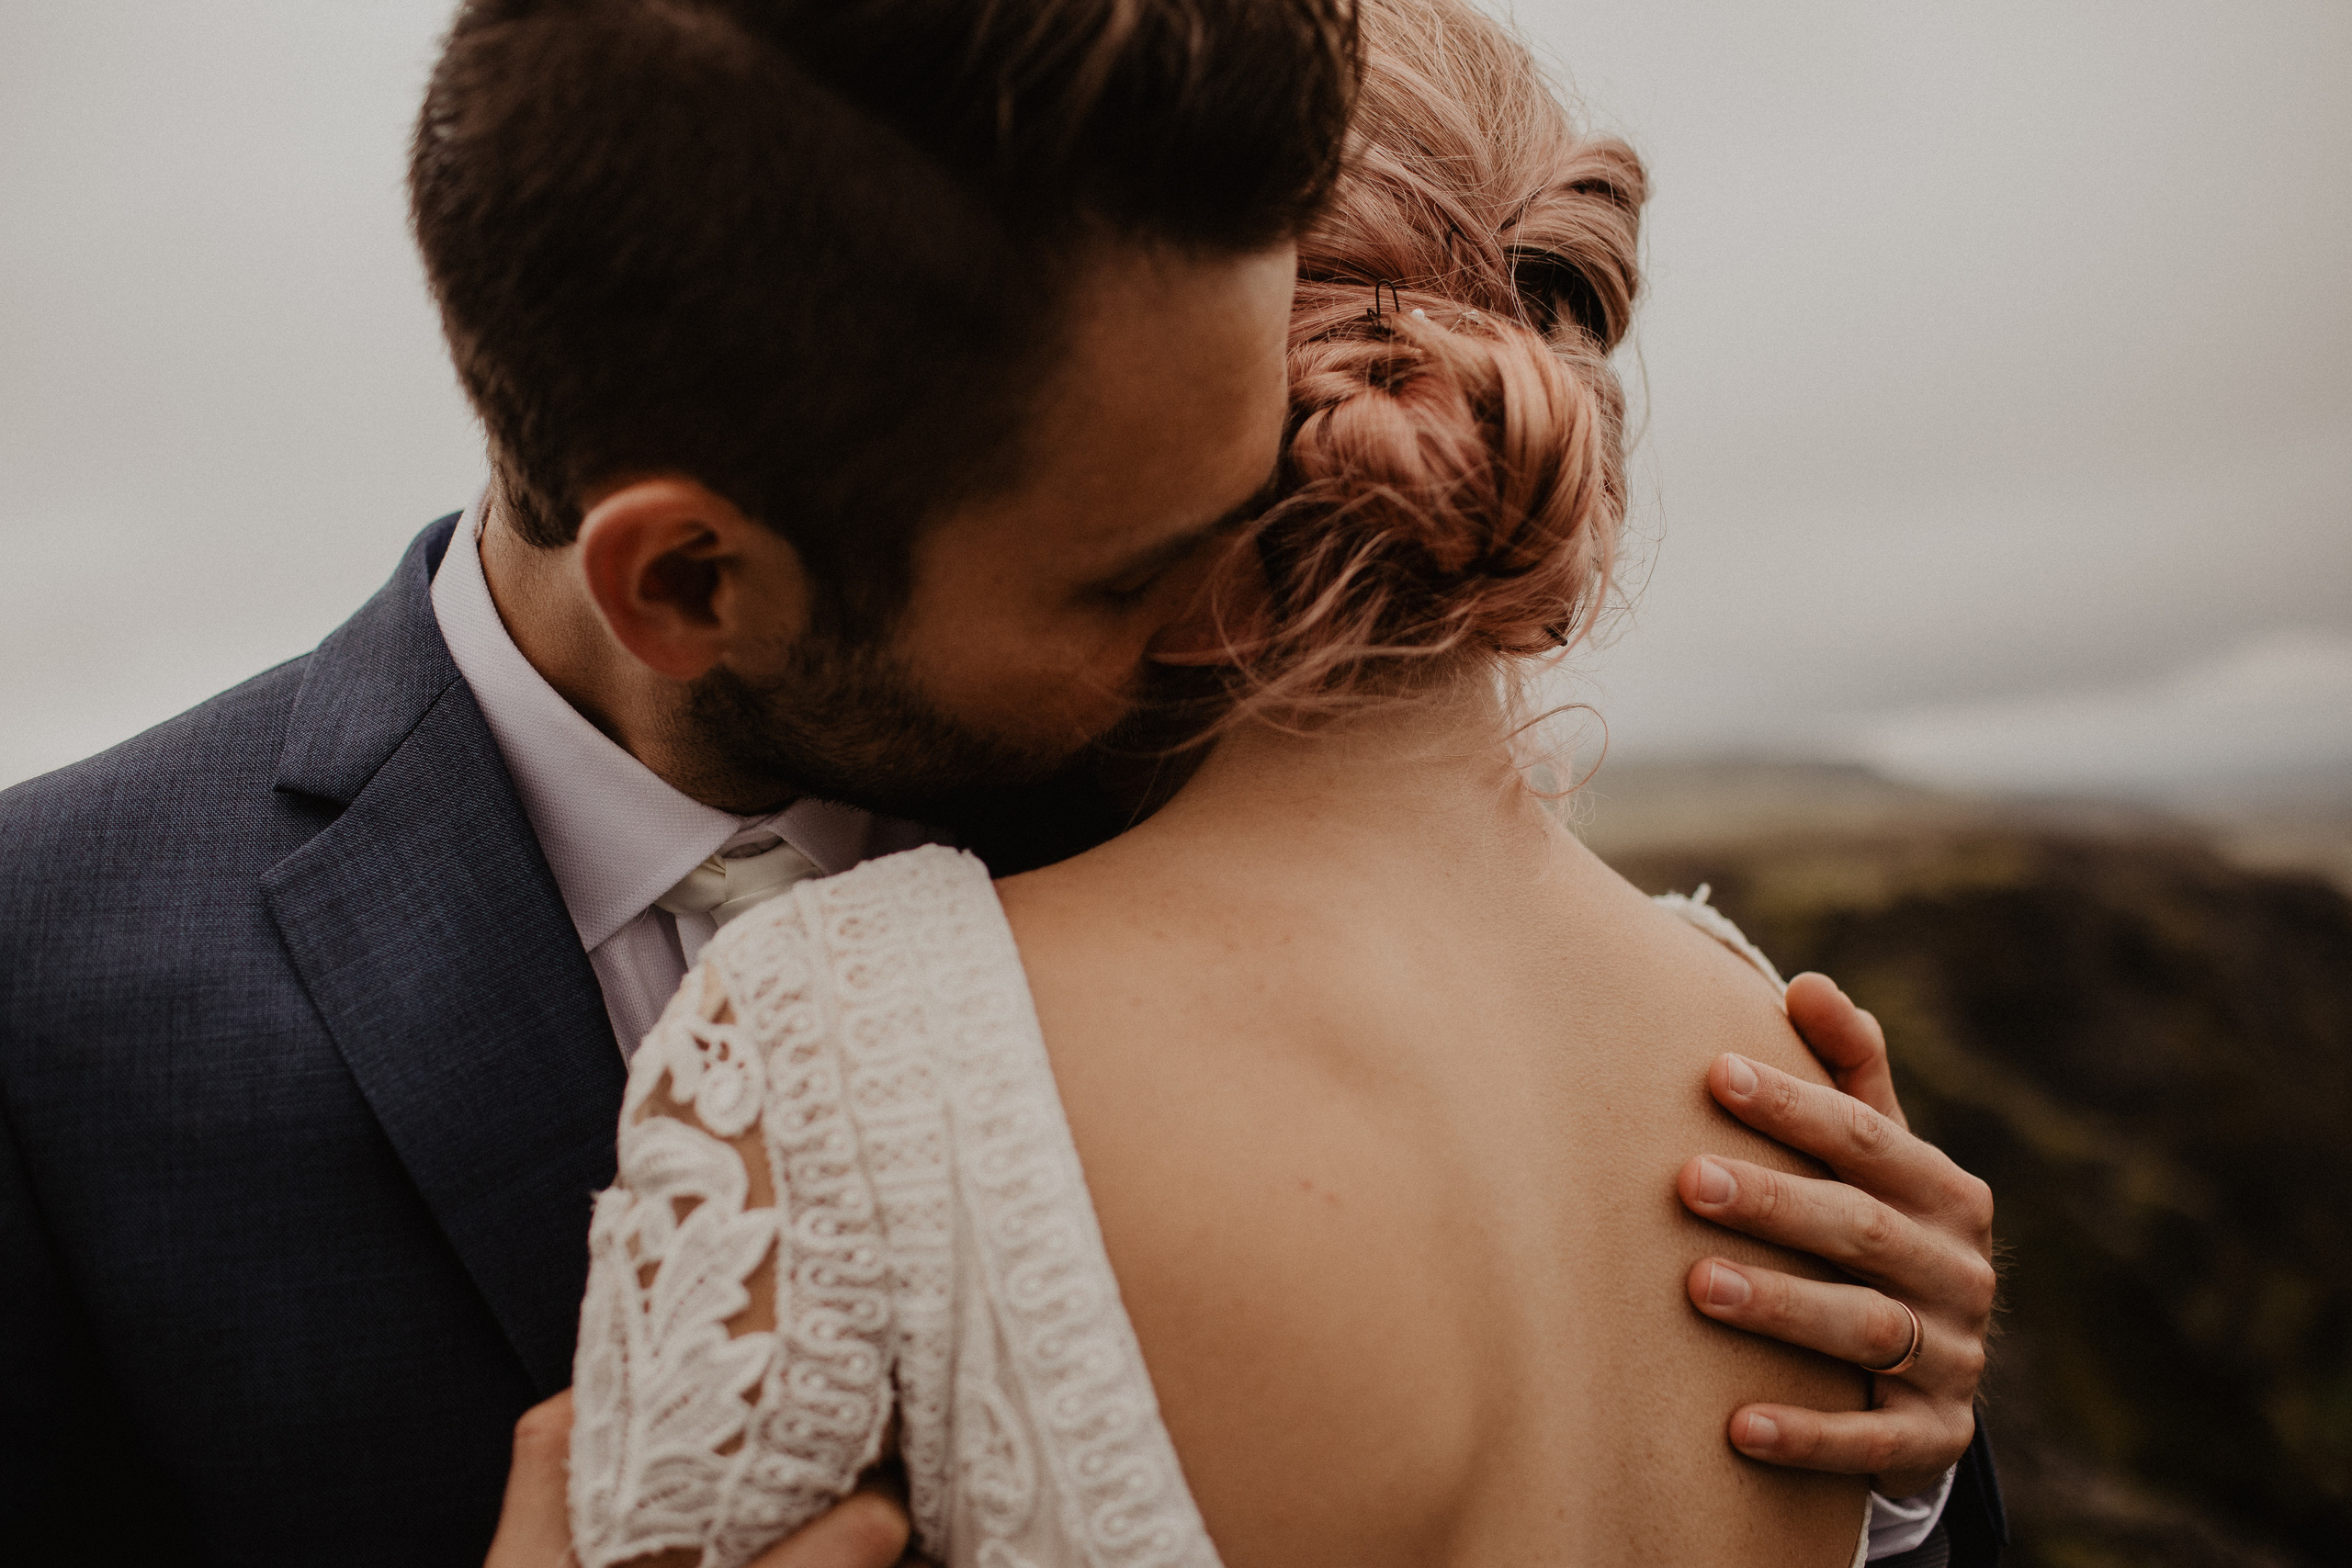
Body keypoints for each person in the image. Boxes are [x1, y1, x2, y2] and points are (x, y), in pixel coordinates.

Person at [0, 3, 1996, 1564]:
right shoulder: (45, 984)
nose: (1235, 609)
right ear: (690, 581)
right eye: (1132, 576)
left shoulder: (1225, 828)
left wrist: (1891, 1442)